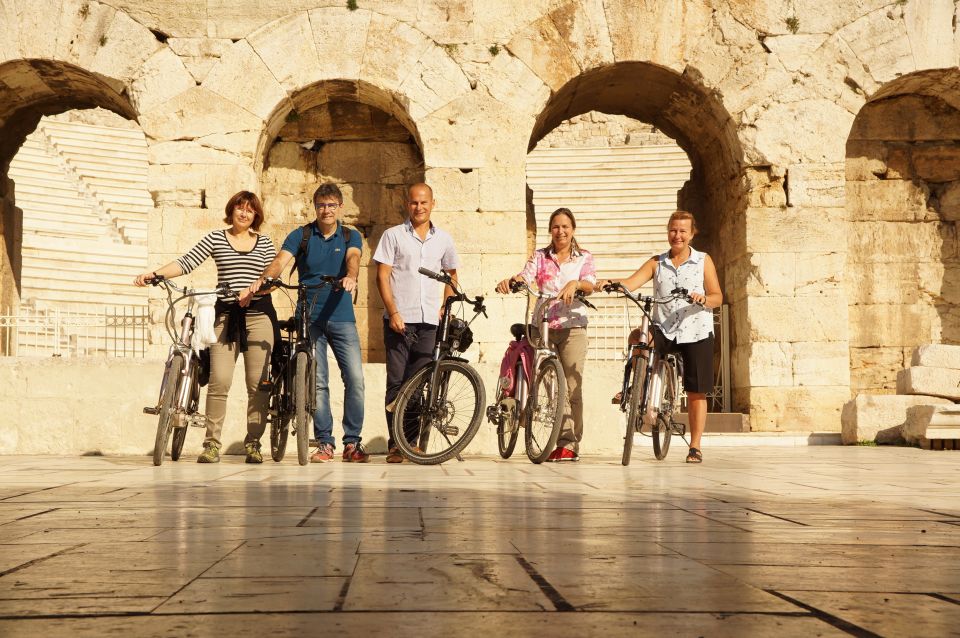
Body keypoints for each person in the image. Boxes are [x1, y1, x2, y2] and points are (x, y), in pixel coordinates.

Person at [135, 191, 277, 464]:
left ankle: (254, 444)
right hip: (225, 315)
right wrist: (155, 274)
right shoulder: (216, 238)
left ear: (256, 215)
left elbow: (272, 275)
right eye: (239, 208)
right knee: (219, 381)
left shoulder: (265, 243)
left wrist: (255, 287)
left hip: (259, 315)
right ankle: (211, 444)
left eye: (250, 210)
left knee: (257, 384)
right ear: (231, 210)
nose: (244, 213)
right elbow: (187, 262)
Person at [248, 182, 368, 463]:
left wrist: (351, 277)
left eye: (331, 205)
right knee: (318, 382)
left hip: (341, 317)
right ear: (315, 208)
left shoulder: (350, 235)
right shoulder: (301, 235)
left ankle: (352, 443)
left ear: (340, 208)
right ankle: (325, 442)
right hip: (308, 317)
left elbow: (354, 258)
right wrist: (266, 278)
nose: (326, 210)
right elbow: (281, 260)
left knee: (355, 379)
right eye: (321, 205)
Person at [599, 210, 722, 464]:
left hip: (695, 329)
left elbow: (718, 296)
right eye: (673, 230)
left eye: (682, 231)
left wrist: (704, 299)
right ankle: (632, 386)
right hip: (664, 327)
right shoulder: (657, 262)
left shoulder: (703, 261)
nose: (677, 235)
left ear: (691, 234)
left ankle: (695, 446)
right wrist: (608, 283)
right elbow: (631, 282)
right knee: (638, 336)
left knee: (697, 391)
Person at [496, 207, 596, 462]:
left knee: (572, 386)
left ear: (573, 229)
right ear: (550, 230)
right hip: (543, 325)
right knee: (550, 384)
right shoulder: (540, 257)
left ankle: (570, 444)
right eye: (556, 226)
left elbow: (590, 283)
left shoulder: (583, 257)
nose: (560, 231)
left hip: (573, 326)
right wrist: (512, 281)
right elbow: (525, 276)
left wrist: (575, 284)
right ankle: (555, 438)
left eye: (565, 226)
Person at [373, 183, 460, 463]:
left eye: (424, 203)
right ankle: (395, 445)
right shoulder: (393, 235)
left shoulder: (444, 239)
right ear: (407, 204)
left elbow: (451, 276)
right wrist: (393, 312)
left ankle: (410, 442)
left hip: (428, 323)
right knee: (396, 383)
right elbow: (382, 276)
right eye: (413, 203)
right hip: (399, 320)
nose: (419, 207)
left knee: (418, 384)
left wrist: (444, 307)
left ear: (433, 203)